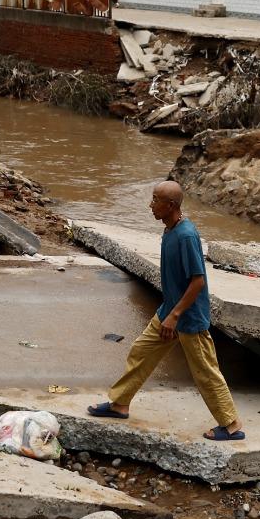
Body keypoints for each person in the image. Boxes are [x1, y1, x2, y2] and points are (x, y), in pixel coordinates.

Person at [90, 180, 244, 441]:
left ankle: (231, 425)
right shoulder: (170, 230)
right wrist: (169, 313)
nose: (151, 205)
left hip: (188, 318)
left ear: (170, 205)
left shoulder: (186, 236)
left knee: (205, 371)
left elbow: (198, 281)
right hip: (169, 311)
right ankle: (120, 403)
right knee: (141, 352)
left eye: (155, 200)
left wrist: (175, 316)